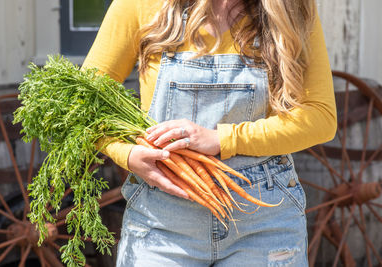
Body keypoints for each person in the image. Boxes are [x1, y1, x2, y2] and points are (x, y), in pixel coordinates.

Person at [83, 0, 337, 266]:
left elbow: (321, 116)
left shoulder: (290, 8)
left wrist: (222, 139)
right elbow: (82, 102)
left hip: (264, 221)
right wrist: (126, 153)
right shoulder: (143, 5)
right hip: (162, 223)